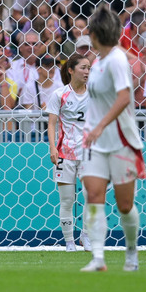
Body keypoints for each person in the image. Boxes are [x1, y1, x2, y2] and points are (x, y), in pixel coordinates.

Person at [80, 6, 146, 273]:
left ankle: (131, 252)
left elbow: (123, 97)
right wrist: (91, 128)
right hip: (95, 142)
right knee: (93, 196)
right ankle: (98, 258)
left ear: (94, 35)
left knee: (125, 205)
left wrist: (100, 126)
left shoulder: (118, 60)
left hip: (120, 141)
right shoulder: (97, 63)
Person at [45, 53, 93, 253]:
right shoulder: (59, 94)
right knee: (67, 200)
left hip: (89, 153)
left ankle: (86, 236)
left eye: (89, 68)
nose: (87, 72)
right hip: (65, 154)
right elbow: (52, 123)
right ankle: (69, 242)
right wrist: (52, 147)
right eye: (83, 67)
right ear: (71, 70)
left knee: (91, 196)